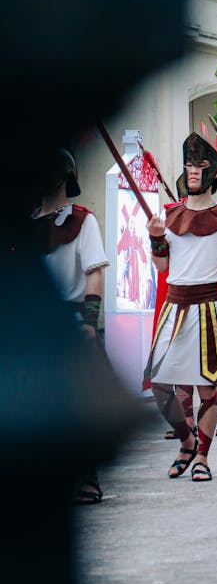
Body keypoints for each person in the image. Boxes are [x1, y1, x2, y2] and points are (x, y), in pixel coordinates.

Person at [144, 132, 217, 483]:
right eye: (188, 165)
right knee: (158, 384)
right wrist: (157, 238)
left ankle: (202, 456)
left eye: (199, 165)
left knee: (208, 388)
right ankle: (187, 441)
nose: (192, 171)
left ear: (211, 171)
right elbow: (162, 268)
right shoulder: (169, 214)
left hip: (208, 305)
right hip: (174, 307)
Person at [32, 149, 110, 503]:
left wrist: (90, 324)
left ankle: (88, 477)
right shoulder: (26, 221)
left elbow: (94, 273)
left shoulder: (83, 221)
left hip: (74, 320)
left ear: (65, 176)